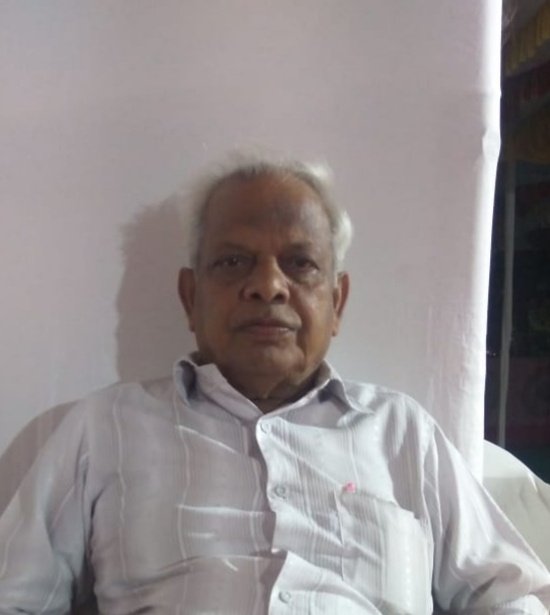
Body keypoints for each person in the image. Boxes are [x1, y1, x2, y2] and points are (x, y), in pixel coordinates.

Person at [0, 154, 549, 614]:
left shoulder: (402, 432)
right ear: (191, 298)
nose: (267, 286)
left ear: (337, 302)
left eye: (300, 263)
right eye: (233, 261)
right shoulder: (105, 428)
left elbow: (511, 596)